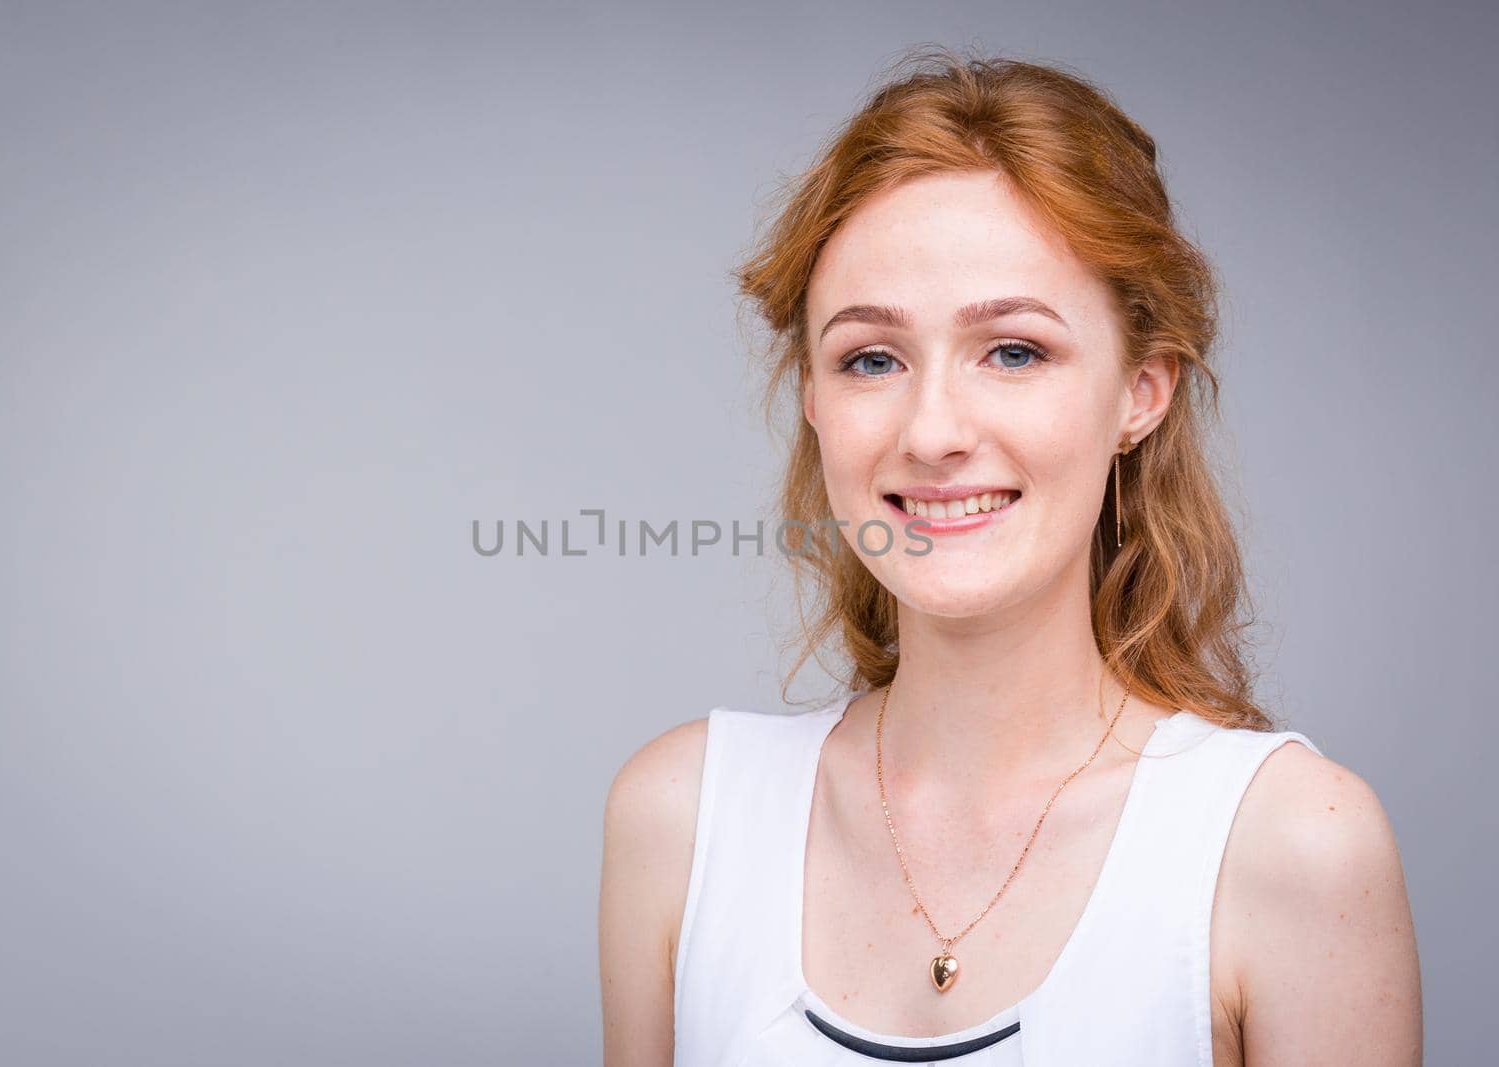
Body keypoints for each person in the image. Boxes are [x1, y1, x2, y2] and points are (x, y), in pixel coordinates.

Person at [599, 48, 1421, 1066]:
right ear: (814, 400)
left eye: (1014, 350)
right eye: (870, 358)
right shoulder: (678, 818)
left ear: (1141, 391)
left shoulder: (1294, 843)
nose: (933, 429)